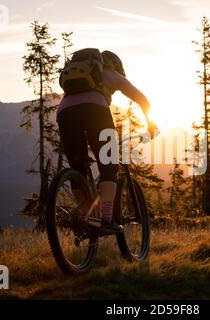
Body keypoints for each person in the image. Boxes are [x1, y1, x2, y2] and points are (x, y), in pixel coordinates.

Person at [56, 50, 158, 234]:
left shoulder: (82, 74)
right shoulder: (113, 74)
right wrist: (150, 124)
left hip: (64, 112)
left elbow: (76, 102)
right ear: (115, 66)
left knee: (78, 167)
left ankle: (83, 214)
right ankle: (106, 219)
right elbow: (142, 99)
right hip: (95, 110)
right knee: (109, 166)